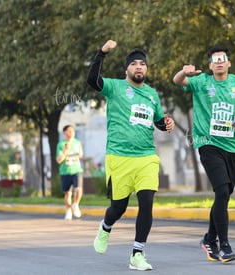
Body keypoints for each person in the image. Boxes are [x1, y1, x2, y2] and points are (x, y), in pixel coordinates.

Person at [173, 45, 235, 263]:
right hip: (207, 143)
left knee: (223, 195)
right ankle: (224, 246)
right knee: (222, 192)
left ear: (228, 63)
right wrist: (183, 72)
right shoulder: (202, 82)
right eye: (215, 60)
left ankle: (208, 239)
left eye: (222, 59)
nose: (219, 63)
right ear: (210, 65)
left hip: (233, 146)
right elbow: (178, 81)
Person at [86, 40, 175, 271]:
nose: (139, 67)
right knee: (119, 208)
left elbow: (157, 121)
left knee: (147, 203)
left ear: (146, 69)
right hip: (119, 156)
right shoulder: (114, 87)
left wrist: (166, 124)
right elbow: (92, 80)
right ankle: (106, 227)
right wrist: (101, 53)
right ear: (127, 69)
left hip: (146, 157)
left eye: (142, 64)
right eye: (134, 64)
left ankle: (137, 253)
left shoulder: (152, 94)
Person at [56, 125, 84, 220]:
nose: (71, 132)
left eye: (73, 131)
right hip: (65, 171)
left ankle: (75, 204)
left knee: (78, 189)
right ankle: (68, 210)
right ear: (64, 133)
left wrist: (79, 153)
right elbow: (59, 160)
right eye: (69, 131)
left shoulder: (77, 142)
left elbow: (81, 154)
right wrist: (65, 151)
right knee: (67, 193)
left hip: (77, 170)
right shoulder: (61, 144)